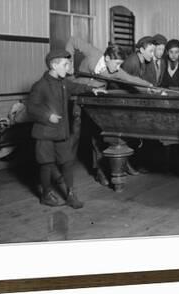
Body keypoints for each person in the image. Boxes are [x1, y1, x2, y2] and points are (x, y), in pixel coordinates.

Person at [65, 36, 154, 185]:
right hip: (77, 96)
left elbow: (131, 79)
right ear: (106, 58)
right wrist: (68, 63)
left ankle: (99, 171)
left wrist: (149, 87)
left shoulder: (115, 72)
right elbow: (73, 41)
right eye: (117, 63)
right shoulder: (94, 54)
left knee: (96, 135)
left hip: (95, 101)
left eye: (120, 64)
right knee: (75, 134)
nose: (118, 68)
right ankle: (65, 171)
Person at [27, 50, 105, 208]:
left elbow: (77, 87)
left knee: (68, 162)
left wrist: (92, 90)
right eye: (65, 64)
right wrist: (48, 116)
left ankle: (70, 194)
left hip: (61, 133)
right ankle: (46, 194)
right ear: (54, 65)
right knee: (46, 164)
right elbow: (31, 108)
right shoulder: (40, 86)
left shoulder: (64, 82)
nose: (69, 67)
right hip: (45, 134)